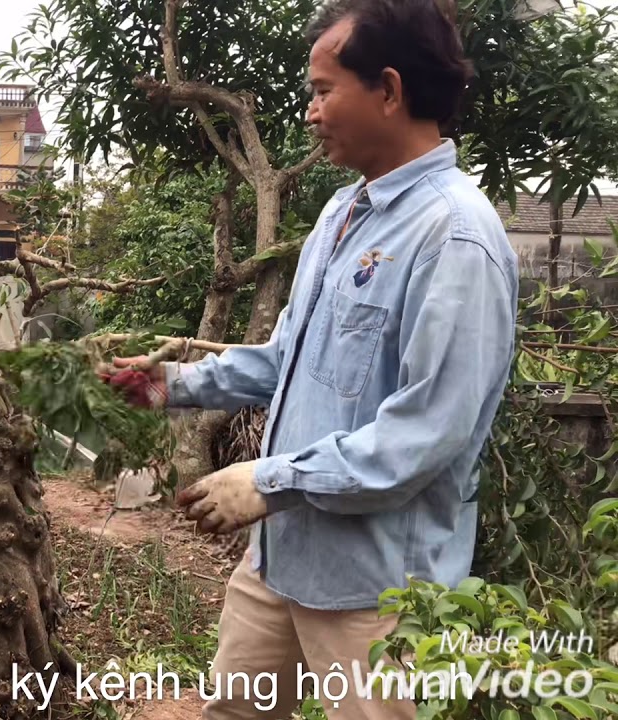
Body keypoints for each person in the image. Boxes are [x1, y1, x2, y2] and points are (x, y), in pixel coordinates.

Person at [106, 0, 519, 717]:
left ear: (389, 91)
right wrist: (173, 384)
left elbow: (424, 436)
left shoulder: (454, 239)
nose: (308, 112)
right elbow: (287, 356)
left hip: (378, 592)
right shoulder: (341, 215)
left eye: (323, 91)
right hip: (283, 559)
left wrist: (269, 479)